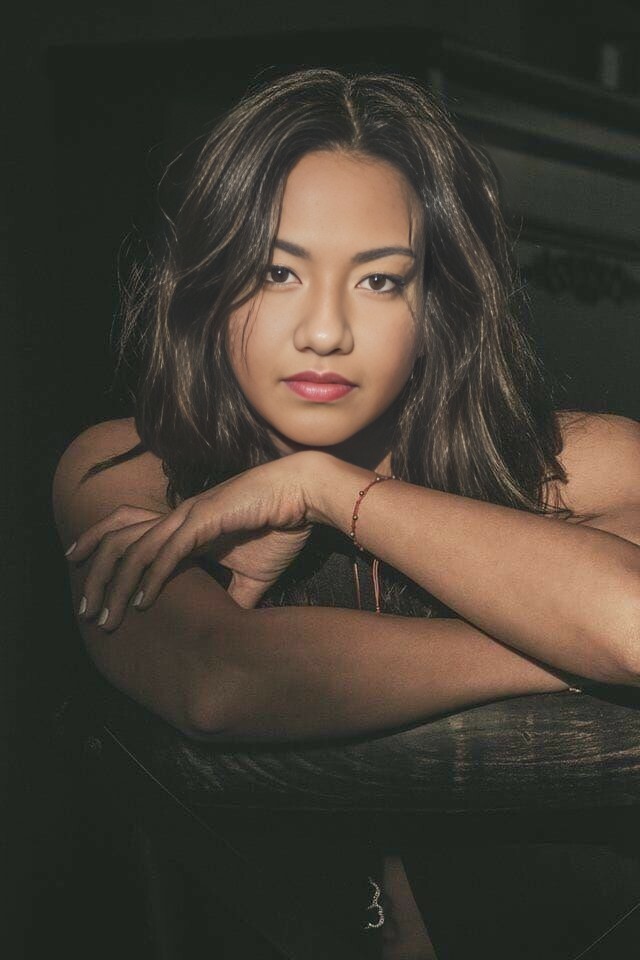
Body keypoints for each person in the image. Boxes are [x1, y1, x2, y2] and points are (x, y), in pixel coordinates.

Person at [52, 68, 640, 959]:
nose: (324, 331)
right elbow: (218, 682)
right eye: (277, 271)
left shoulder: (580, 461)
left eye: (380, 281)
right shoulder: (126, 469)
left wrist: (329, 492)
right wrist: (559, 647)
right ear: (207, 282)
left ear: (436, 303)